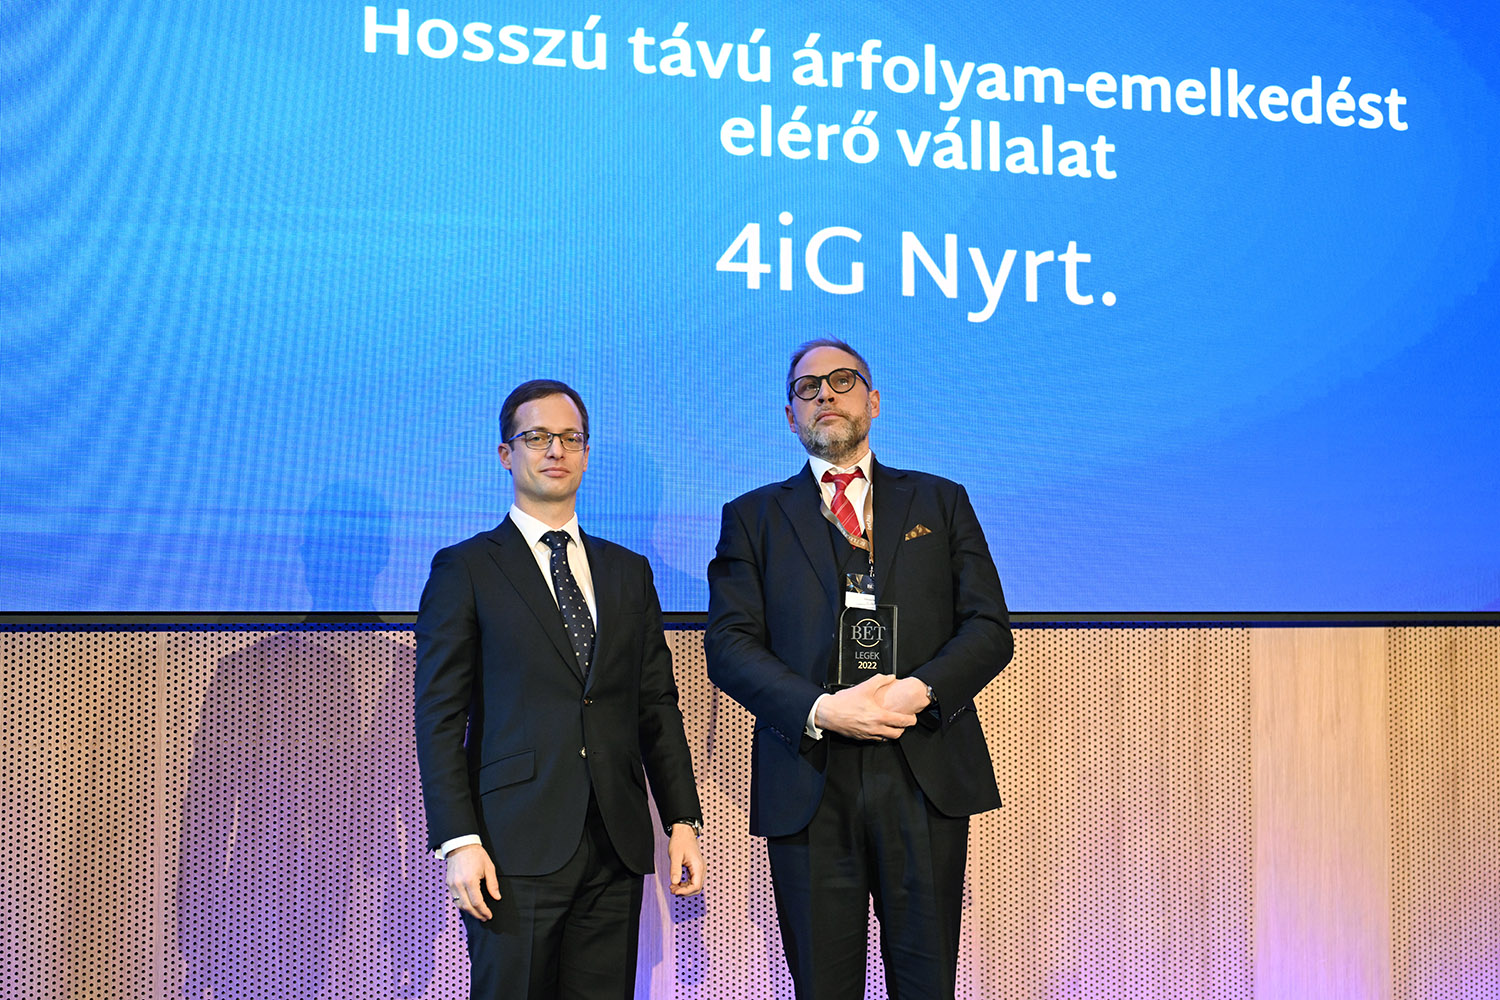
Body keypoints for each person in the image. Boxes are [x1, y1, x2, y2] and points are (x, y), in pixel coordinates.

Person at [705, 339, 1012, 1000]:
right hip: (810, 776)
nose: (825, 394)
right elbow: (728, 647)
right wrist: (822, 708)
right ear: (790, 414)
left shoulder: (940, 502)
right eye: (807, 387)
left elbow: (989, 629)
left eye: (842, 381)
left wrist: (918, 690)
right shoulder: (752, 517)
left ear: (873, 401)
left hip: (922, 764)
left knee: (926, 984)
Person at [415, 379, 705, 1000]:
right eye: (537, 437)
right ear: (506, 454)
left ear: (586, 453)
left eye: (571, 438)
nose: (556, 450)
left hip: (615, 843)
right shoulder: (466, 568)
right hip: (513, 845)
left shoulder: (628, 572)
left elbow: (656, 706)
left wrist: (682, 819)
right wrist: (458, 840)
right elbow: (439, 716)